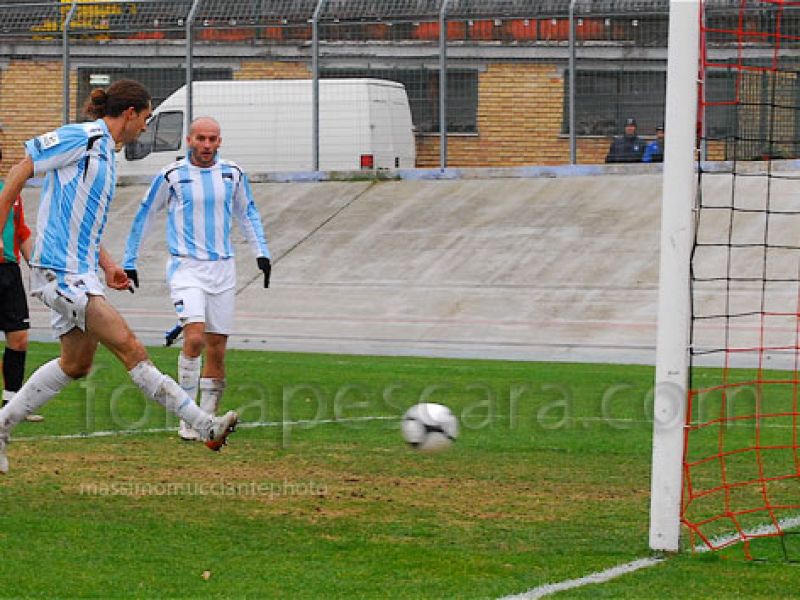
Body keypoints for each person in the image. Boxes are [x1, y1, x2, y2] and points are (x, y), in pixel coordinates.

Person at [0, 80, 239, 474]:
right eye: (145, 118)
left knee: (75, 364)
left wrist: (108, 263)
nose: (145, 126)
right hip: (60, 271)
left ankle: (2, 428)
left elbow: (83, 221)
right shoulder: (85, 136)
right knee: (129, 346)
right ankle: (204, 424)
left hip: (81, 272)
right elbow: (21, 168)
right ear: (129, 114)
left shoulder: (109, 156)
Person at [123, 116, 271, 442]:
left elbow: (248, 213)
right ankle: (186, 419)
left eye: (213, 139)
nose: (207, 145)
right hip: (186, 267)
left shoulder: (233, 173)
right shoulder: (172, 175)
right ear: (189, 140)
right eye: (201, 139)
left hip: (223, 268)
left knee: (217, 348)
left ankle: (208, 421)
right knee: (193, 339)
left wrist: (262, 252)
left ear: (220, 142)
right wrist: (129, 260)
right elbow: (146, 214)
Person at [0, 187, 43, 422]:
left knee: (19, 339)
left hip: (9, 271)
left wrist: (37, 268)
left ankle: (11, 403)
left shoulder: (11, 191)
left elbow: (21, 232)